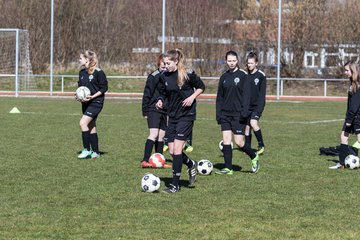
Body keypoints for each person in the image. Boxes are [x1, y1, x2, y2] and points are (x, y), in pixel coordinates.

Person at [156, 48, 205, 193]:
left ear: (176, 61)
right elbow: (162, 93)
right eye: (164, 63)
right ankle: (191, 164)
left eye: (168, 63)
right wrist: (160, 100)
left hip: (186, 116)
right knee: (172, 151)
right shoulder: (164, 76)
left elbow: (201, 87)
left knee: (177, 149)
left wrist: (191, 97)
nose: (166, 66)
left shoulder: (187, 74)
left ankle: (174, 185)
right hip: (172, 116)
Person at [215, 50, 259, 174]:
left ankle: (253, 155)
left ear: (237, 61)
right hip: (225, 114)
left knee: (239, 142)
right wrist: (218, 114)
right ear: (225, 61)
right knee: (226, 140)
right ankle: (228, 168)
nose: (231, 63)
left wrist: (244, 113)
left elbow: (247, 96)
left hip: (239, 114)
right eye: (229, 61)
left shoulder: (243, 75)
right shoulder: (224, 77)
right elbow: (220, 97)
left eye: (234, 61)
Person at [76, 50, 108, 159]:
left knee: (82, 123)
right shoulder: (82, 72)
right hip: (86, 103)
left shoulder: (98, 72)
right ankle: (96, 152)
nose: (79, 60)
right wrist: (79, 96)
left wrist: (92, 97)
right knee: (91, 126)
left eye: (81, 58)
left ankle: (86, 150)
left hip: (96, 102)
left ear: (87, 59)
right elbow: (80, 88)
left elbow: (104, 88)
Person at [141, 54, 171, 168]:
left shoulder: (169, 77)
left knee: (161, 136)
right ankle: (145, 160)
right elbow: (147, 94)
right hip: (153, 109)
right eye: (163, 66)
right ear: (158, 65)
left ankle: (160, 161)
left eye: (167, 66)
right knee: (153, 134)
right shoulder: (153, 76)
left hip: (165, 110)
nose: (165, 69)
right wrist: (145, 111)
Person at [329, 59, 360, 169]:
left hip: (356, 117)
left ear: (353, 71)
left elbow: (354, 106)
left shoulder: (357, 85)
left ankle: (350, 155)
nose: (345, 72)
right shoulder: (352, 81)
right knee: (343, 137)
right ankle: (342, 164)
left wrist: (348, 121)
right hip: (351, 116)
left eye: (347, 70)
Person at [244, 51, 267, 155]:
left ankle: (261, 145)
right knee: (247, 128)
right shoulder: (245, 75)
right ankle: (248, 148)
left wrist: (260, 107)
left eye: (252, 63)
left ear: (256, 63)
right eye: (248, 63)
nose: (249, 65)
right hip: (246, 106)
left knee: (253, 123)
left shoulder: (261, 76)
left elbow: (262, 94)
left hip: (257, 106)